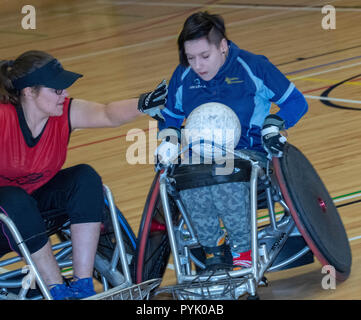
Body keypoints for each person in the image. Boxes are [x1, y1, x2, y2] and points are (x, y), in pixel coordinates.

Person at [0, 50, 167, 299]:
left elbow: (108, 114)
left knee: (84, 177)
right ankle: (56, 289)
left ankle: (82, 285)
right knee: (13, 198)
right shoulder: (4, 119)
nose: (64, 94)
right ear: (28, 92)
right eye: (56, 90)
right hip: (5, 220)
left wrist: (145, 102)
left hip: (34, 212)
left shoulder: (63, 113)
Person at [155, 12, 308, 271]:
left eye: (205, 56)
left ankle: (243, 250)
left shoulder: (253, 66)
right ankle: (213, 252)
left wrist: (274, 124)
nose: (198, 66)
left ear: (223, 46)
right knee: (187, 175)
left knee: (225, 170)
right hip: (200, 155)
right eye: (190, 58)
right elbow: (169, 117)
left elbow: (296, 102)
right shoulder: (183, 76)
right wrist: (168, 138)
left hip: (250, 153)